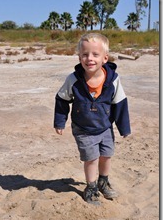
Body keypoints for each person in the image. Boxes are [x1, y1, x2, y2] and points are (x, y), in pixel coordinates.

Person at [54, 33, 131, 205]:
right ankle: (91, 186)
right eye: (85, 54)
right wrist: (60, 121)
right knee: (91, 158)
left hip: (105, 127)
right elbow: (62, 99)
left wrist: (124, 128)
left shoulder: (113, 80)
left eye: (95, 55)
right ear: (79, 57)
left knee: (106, 156)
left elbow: (120, 104)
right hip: (83, 128)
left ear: (104, 58)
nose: (90, 58)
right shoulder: (73, 79)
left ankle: (103, 181)